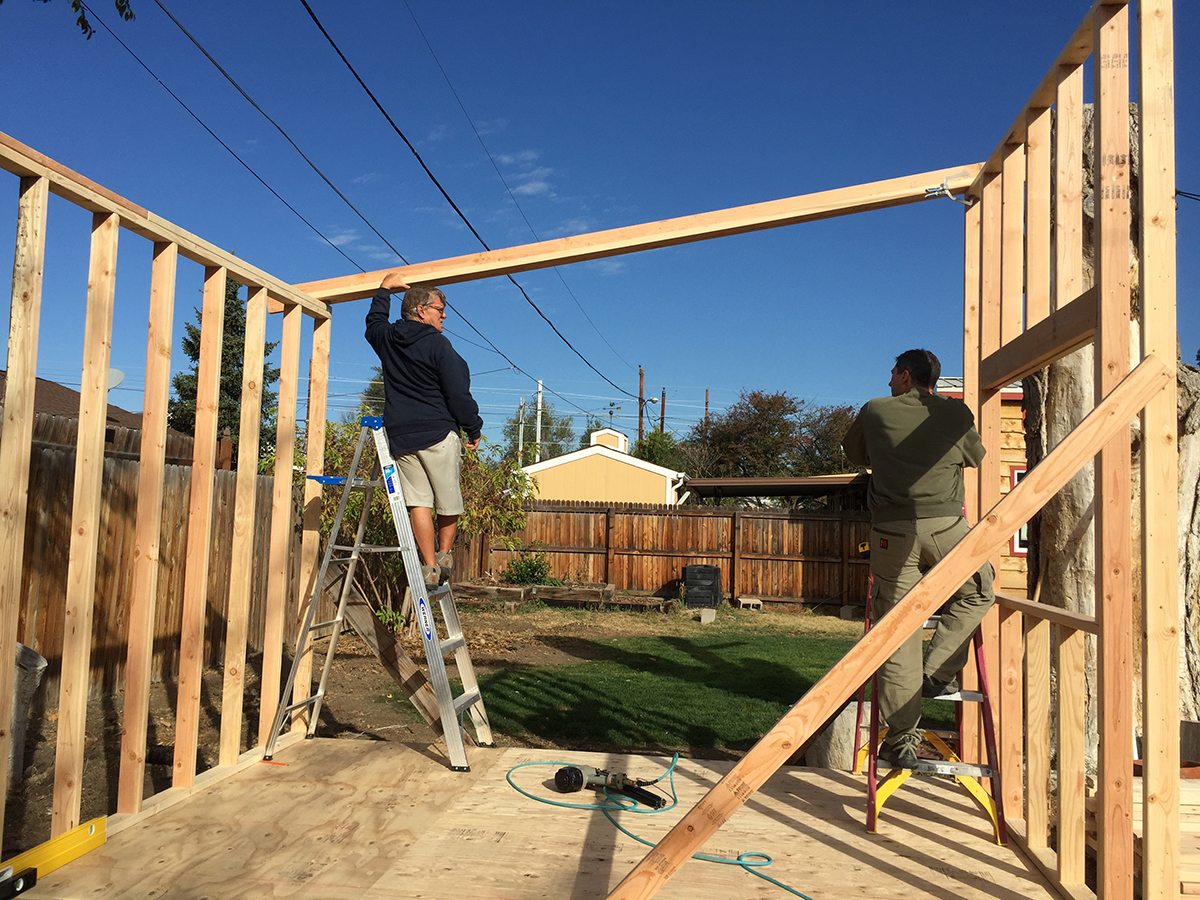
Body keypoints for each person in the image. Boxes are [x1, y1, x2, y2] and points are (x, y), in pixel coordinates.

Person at [841, 348, 995, 769]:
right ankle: (938, 672)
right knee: (979, 591)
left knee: (897, 628)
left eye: (893, 374)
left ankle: (902, 739)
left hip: (893, 533)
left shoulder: (875, 411)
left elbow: (857, 455)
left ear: (907, 376)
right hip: (947, 529)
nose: (889, 381)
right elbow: (976, 459)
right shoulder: (956, 415)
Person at [366, 271, 483, 584]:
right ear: (421, 310)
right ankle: (443, 557)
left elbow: (374, 324)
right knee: (449, 500)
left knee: (419, 501)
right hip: (437, 434)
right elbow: (457, 392)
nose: (444, 315)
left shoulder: (388, 339)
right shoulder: (439, 345)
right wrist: (473, 427)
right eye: (439, 309)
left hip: (402, 436)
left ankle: (429, 566)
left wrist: (384, 290)